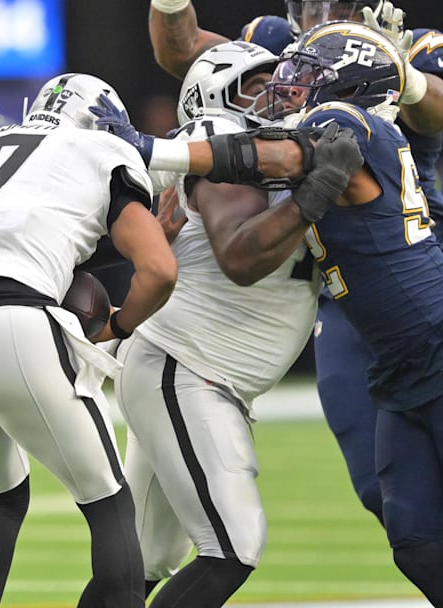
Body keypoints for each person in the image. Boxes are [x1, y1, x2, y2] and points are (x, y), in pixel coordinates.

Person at [147, 0, 443, 525]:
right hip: (335, 282)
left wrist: (404, 75)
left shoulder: (389, 62)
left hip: (410, 264)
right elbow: (186, 54)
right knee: (393, 500)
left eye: (343, 6)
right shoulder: (288, 48)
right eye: (313, 5)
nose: (325, 14)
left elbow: (284, 153)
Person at [0, 73, 178, 608]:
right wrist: (116, 328)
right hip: (15, 323)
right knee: (109, 505)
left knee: (1, 499)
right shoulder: (102, 148)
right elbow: (159, 270)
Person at [110, 41, 330, 606]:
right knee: (234, 545)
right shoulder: (220, 145)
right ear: (215, 98)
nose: (276, 93)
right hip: (186, 367)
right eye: (256, 84)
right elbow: (240, 258)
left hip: (193, 370)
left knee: (138, 564)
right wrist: (313, 198)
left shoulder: (283, 149)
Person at [266, 22, 443, 602]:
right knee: (413, 535)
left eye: (309, 75)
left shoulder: (342, 123)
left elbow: (279, 156)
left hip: (432, 337)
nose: (291, 85)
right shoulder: (370, 133)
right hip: (397, 361)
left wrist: (153, 151)